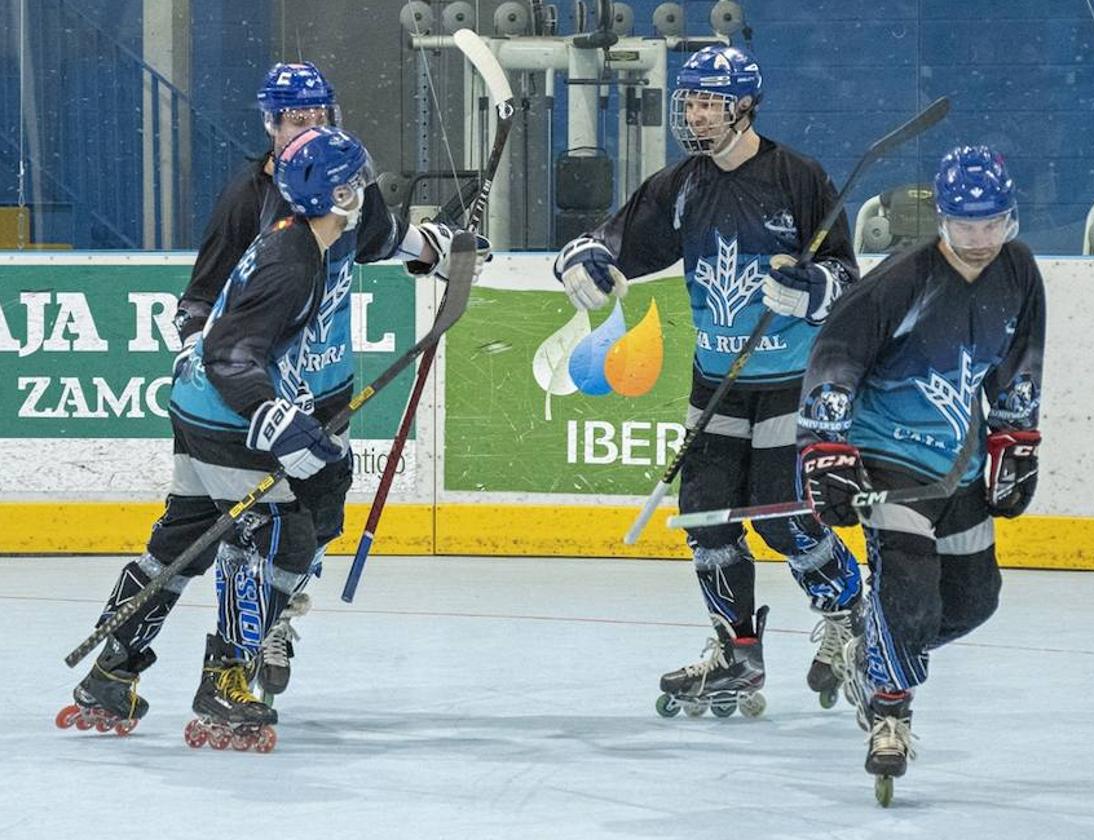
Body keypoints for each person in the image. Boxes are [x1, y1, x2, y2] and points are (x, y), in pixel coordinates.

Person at [553, 44, 863, 717]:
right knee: (705, 518)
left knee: (782, 521)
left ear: (744, 107)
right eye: (688, 100)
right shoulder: (683, 184)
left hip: (790, 381)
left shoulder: (798, 178)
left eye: (707, 102)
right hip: (716, 379)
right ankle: (737, 651)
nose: (692, 113)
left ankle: (847, 613)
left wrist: (811, 289)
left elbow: (846, 276)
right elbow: (615, 240)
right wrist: (583, 258)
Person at [171, 61, 487, 701]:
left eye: (319, 116)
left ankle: (273, 618)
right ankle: (238, 652)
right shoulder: (250, 199)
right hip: (261, 403)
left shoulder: (341, 182)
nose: (309, 129)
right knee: (258, 530)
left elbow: (386, 239)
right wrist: (205, 358)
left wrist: (442, 250)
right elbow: (203, 296)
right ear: (270, 125)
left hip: (329, 391)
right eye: (296, 119)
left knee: (316, 525)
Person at [59, 127, 371, 747]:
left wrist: (444, 245)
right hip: (226, 419)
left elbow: (229, 347)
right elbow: (231, 353)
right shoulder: (293, 260)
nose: (363, 188)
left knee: (180, 545)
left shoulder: (298, 238)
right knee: (274, 535)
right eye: (353, 180)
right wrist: (274, 418)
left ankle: (110, 670)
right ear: (331, 192)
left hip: (197, 410)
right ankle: (224, 681)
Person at [794, 145, 1045, 795]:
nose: (982, 239)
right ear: (942, 220)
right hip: (888, 460)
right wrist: (827, 449)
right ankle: (890, 714)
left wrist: (1014, 441)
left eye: (994, 223)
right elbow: (836, 355)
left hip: (954, 468)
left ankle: (873, 651)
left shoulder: (1018, 271)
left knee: (972, 602)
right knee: (905, 587)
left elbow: (1019, 362)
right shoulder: (903, 278)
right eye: (967, 226)